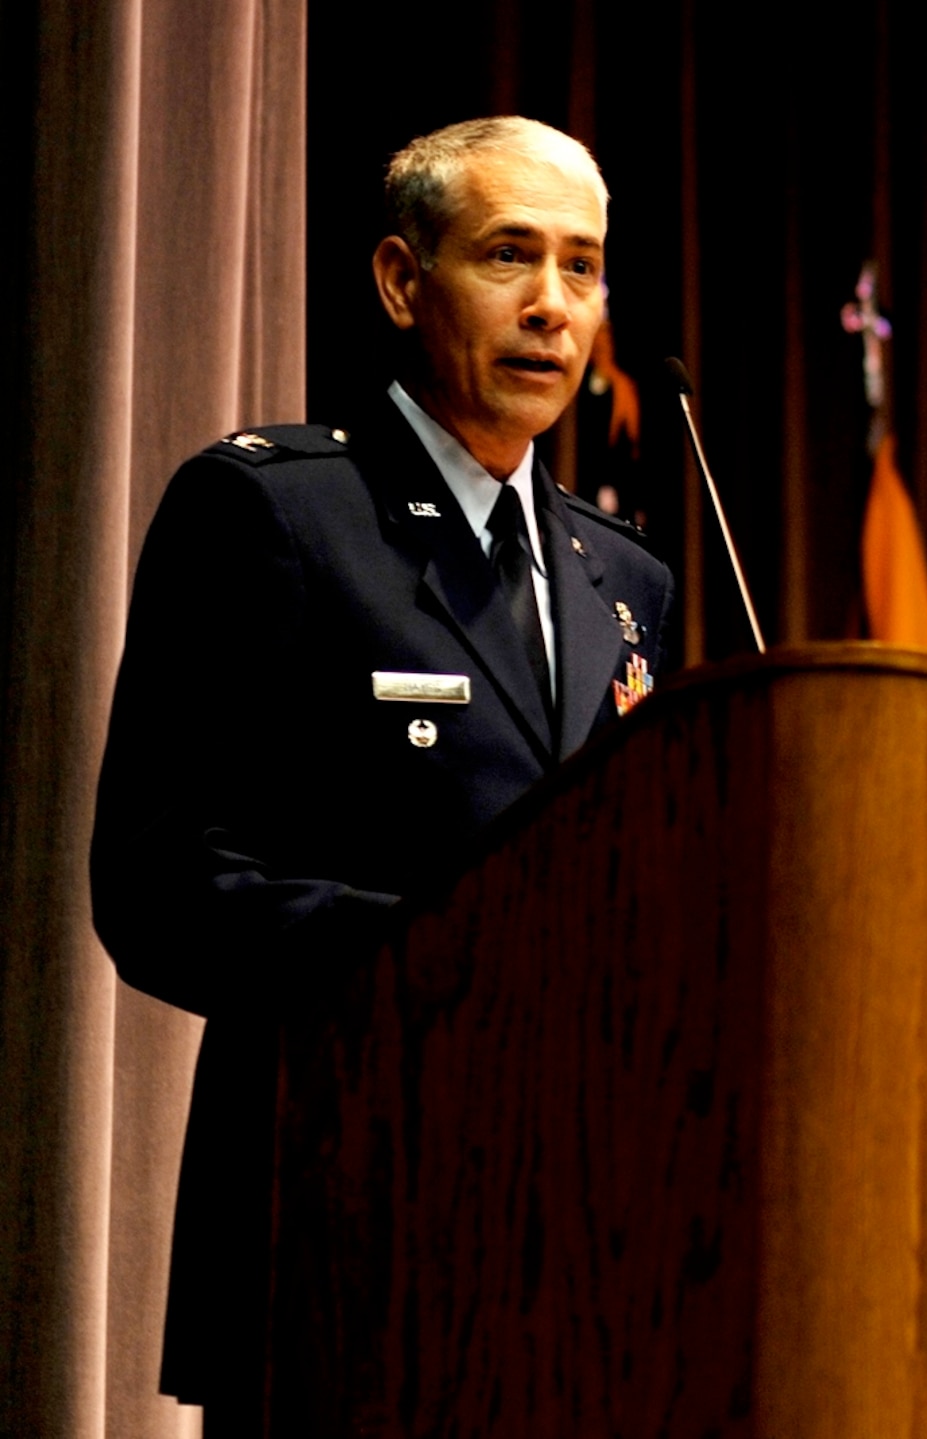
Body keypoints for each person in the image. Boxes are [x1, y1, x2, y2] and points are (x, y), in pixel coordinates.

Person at [90, 116, 673, 1429]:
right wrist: (465, 950)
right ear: (403, 280)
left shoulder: (625, 578)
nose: (551, 308)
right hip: (346, 1224)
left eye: (581, 270)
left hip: (589, 1257)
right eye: (509, 258)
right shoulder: (277, 515)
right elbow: (161, 883)